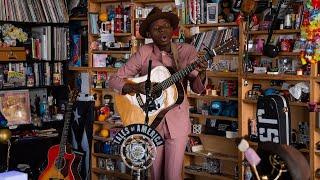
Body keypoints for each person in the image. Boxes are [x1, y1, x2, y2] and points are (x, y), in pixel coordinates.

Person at [109, 7, 208, 180]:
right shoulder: (144, 52)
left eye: (166, 26)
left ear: (172, 29)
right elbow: (114, 79)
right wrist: (135, 88)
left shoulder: (187, 51)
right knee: (155, 175)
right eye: (156, 28)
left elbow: (199, 89)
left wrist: (202, 73)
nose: (162, 30)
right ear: (149, 33)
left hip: (177, 121)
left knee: (172, 176)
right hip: (151, 121)